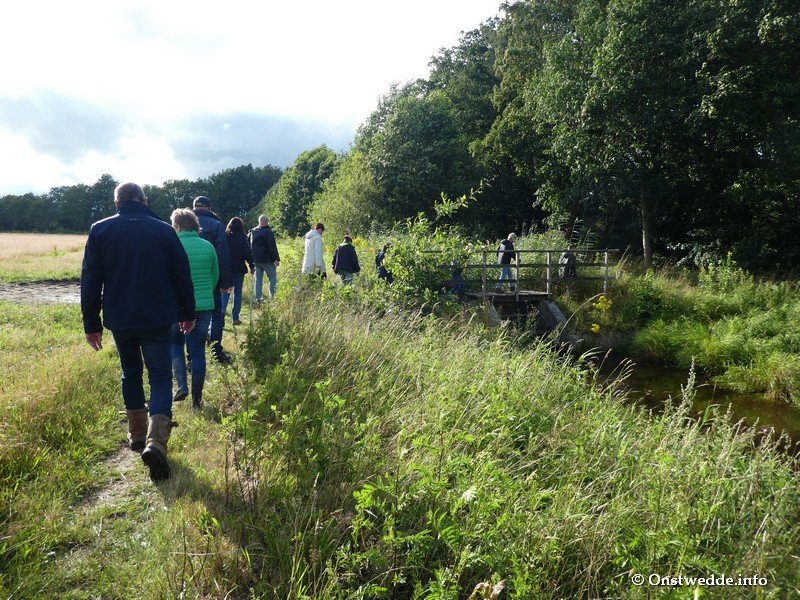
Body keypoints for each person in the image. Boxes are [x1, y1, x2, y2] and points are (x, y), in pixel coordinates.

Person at [81, 182, 196, 481]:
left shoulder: (100, 230)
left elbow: (90, 279)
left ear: (116, 202)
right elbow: (181, 275)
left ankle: (136, 436)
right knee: (160, 376)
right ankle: (156, 442)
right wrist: (187, 313)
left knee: (130, 372)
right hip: (157, 317)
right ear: (144, 201)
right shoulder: (164, 231)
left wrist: (91, 324)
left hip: (121, 319)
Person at [170, 209, 218, 409]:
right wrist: (204, 292)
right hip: (203, 305)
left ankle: (182, 385)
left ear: (177, 226)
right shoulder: (208, 246)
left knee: (175, 343)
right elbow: (214, 276)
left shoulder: (171, 245)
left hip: (175, 305)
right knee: (198, 352)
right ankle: (197, 400)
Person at [192, 196, 232, 364]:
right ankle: (216, 352)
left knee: (189, 314)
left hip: (186, 277)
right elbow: (222, 255)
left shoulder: (182, 223)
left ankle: (192, 356)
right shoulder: (216, 225)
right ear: (209, 208)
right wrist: (225, 281)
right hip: (211, 278)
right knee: (216, 315)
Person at [222, 217, 254, 325]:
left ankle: (221, 315)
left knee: (225, 291)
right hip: (239, 268)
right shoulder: (242, 237)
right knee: (238, 292)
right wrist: (251, 265)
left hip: (226, 268)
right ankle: (235, 318)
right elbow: (247, 252)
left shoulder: (224, 236)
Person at [249, 215, 281, 301]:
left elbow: (249, 245)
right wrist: (276, 259)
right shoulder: (268, 232)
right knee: (272, 278)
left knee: (258, 280)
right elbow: (272, 247)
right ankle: (272, 297)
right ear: (267, 222)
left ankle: (258, 298)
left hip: (255, 259)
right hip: (267, 260)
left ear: (259, 221)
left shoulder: (252, 231)